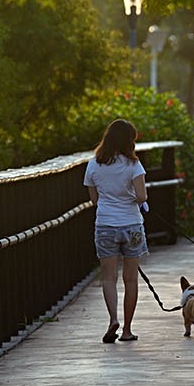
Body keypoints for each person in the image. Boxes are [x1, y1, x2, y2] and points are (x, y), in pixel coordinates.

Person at [83, 119, 148, 343]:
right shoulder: (134, 165)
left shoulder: (94, 164)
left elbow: (94, 200)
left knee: (109, 278)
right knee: (131, 280)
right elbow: (141, 197)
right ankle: (128, 330)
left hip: (106, 225)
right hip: (132, 225)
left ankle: (113, 319)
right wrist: (129, 197)